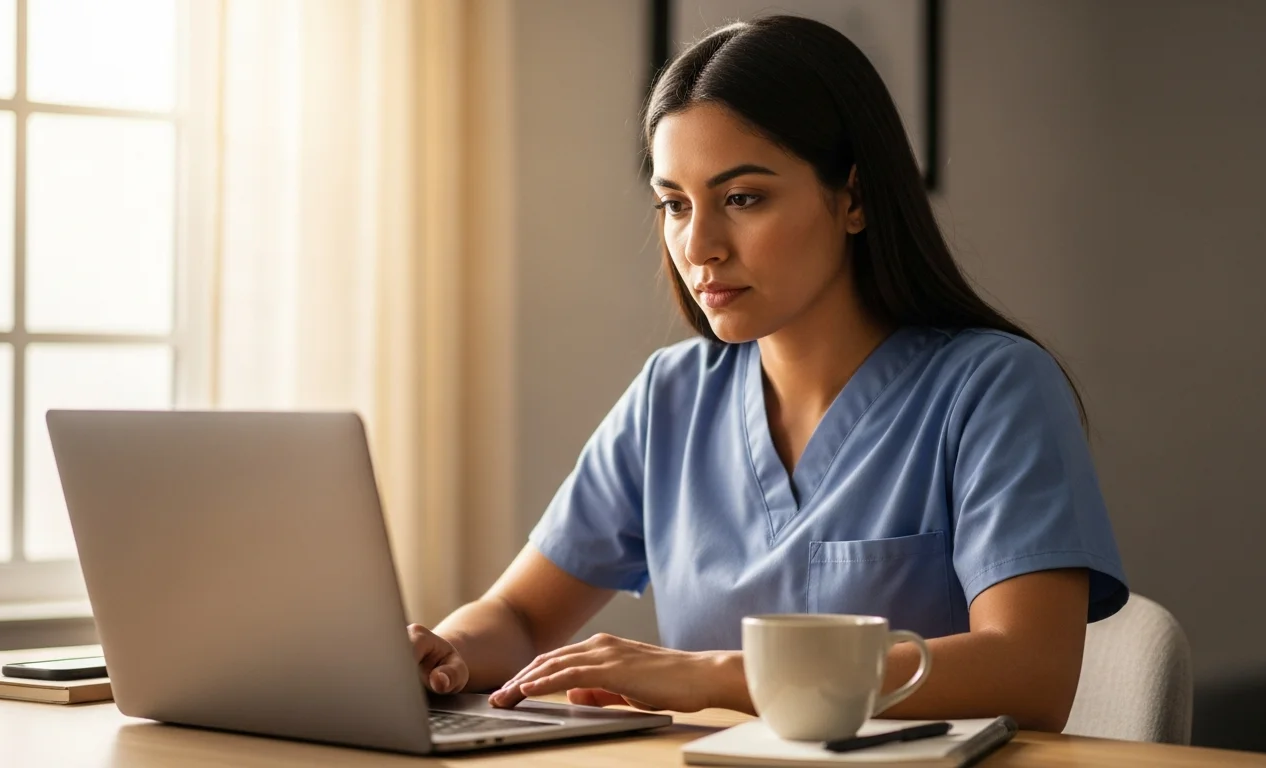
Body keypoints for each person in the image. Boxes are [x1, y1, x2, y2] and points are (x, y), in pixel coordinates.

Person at [407, 15, 1127, 733]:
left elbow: (1030, 672)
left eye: (742, 198)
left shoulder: (992, 389)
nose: (700, 246)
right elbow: (522, 615)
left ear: (853, 198)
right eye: (674, 205)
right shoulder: (672, 397)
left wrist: (713, 675)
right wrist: (448, 654)